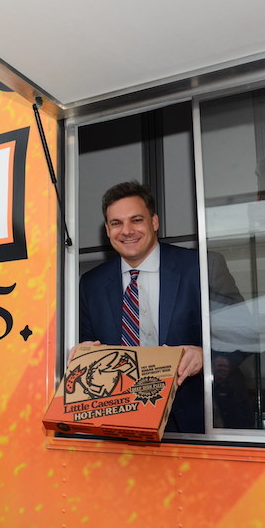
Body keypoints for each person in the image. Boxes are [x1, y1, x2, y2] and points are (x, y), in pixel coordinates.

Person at [77, 181, 241, 433]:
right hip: (120, 421)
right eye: (116, 223)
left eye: (136, 220)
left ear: (154, 222)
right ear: (107, 231)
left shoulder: (201, 267)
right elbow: (89, 343)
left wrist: (205, 355)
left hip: (197, 420)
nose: (127, 231)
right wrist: (84, 354)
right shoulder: (91, 284)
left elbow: (244, 333)